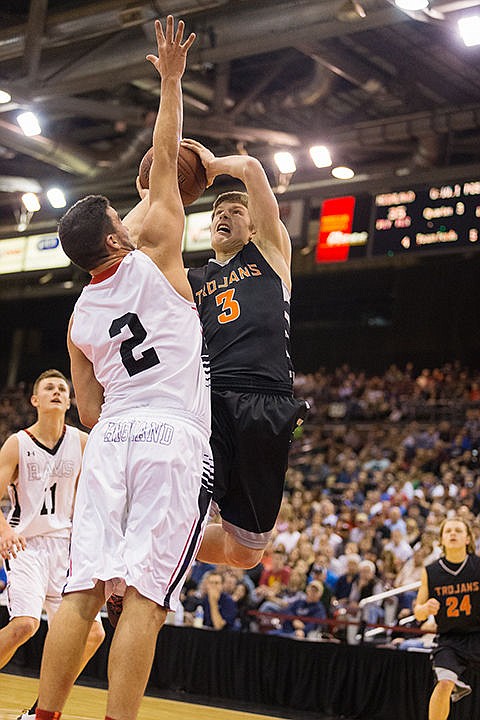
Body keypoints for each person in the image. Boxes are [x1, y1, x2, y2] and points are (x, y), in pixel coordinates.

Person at [33, 17, 211, 720]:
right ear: (117, 234)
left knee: (81, 591)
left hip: (110, 440)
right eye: (121, 212)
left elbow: (87, 411)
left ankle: (44, 714)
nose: (134, 211)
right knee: (145, 598)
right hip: (169, 435)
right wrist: (170, 78)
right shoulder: (159, 246)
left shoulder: (76, 319)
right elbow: (166, 161)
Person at [183, 136, 308, 570]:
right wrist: (155, 192)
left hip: (267, 398)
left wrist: (212, 166)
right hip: (209, 397)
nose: (224, 215)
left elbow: (253, 169)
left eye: (236, 212)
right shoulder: (192, 279)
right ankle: (146, 543)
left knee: (248, 553)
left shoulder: (270, 253)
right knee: (184, 497)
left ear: (254, 225)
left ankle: (160, 537)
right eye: (218, 212)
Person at [0, 370, 105, 719]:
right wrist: (4, 532)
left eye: (63, 388)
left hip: (67, 548)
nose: (58, 391)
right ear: (35, 400)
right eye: (50, 387)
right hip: (26, 545)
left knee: (92, 635)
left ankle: (38, 711)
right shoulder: (17, 443)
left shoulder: (83, 442)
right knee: (24, 625)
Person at [414, 517, 480, 719]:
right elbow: (417, 612)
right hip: (450, 638)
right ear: (441, 540)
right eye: (448, 531)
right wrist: (425, 608)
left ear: (468, 539)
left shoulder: (477, 566)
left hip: (478, 633)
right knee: (443, 685)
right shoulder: (431, 571)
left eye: (458, 531)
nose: (453, 534)